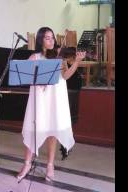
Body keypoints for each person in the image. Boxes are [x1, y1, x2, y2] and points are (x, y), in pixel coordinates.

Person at [16, 27, 86, 182]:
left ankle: (50, 165)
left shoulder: (59, 57)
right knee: (35, 128)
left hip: (56, 97)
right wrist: (37, 80)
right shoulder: (34, 57)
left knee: (52, 129)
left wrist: (77, 62)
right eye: (47, 38)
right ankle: (27, 163)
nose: (51, 40)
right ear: (41, 40)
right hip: (40, 98)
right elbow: (24, 76)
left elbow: (65, 76)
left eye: (52, 38)